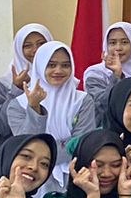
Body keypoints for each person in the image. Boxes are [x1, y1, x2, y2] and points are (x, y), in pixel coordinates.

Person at [5, 41, 83, 187]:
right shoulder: (18, 104)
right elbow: (27, 142)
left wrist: (45, 156)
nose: (58, 70)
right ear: (40, 66)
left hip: (76, 174)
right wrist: (34, 108)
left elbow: (81, 142)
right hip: (33, 175)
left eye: (65, 65)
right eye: (51, 65)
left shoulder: (82, 100)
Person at [0, 22, 50, 139]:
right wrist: (16, 89)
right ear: (18, 49)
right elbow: (1, 127)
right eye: (27, 46)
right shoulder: (5, 83)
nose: (35, 50)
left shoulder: (61, 79)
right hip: (16, 146)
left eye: (41, 44)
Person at [79, 22, 131, 98]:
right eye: (112, 43)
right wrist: (116, 75)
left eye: (124, 42)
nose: (118, 48)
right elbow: (102, 103)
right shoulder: (95, 73)